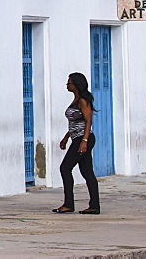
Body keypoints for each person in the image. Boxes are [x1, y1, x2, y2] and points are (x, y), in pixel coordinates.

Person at [52, 72, 100, 215]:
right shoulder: (76, 100)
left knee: (65, 168)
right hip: (76, 138)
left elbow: (88, 121)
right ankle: (94, 206)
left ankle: (68, 204)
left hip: (83, 139)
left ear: (76, 84)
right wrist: (67, 137)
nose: (67, 85)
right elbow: (75, 123)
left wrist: (84, 141)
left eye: (69, 83)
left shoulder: (83, 101)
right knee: (87, 172)